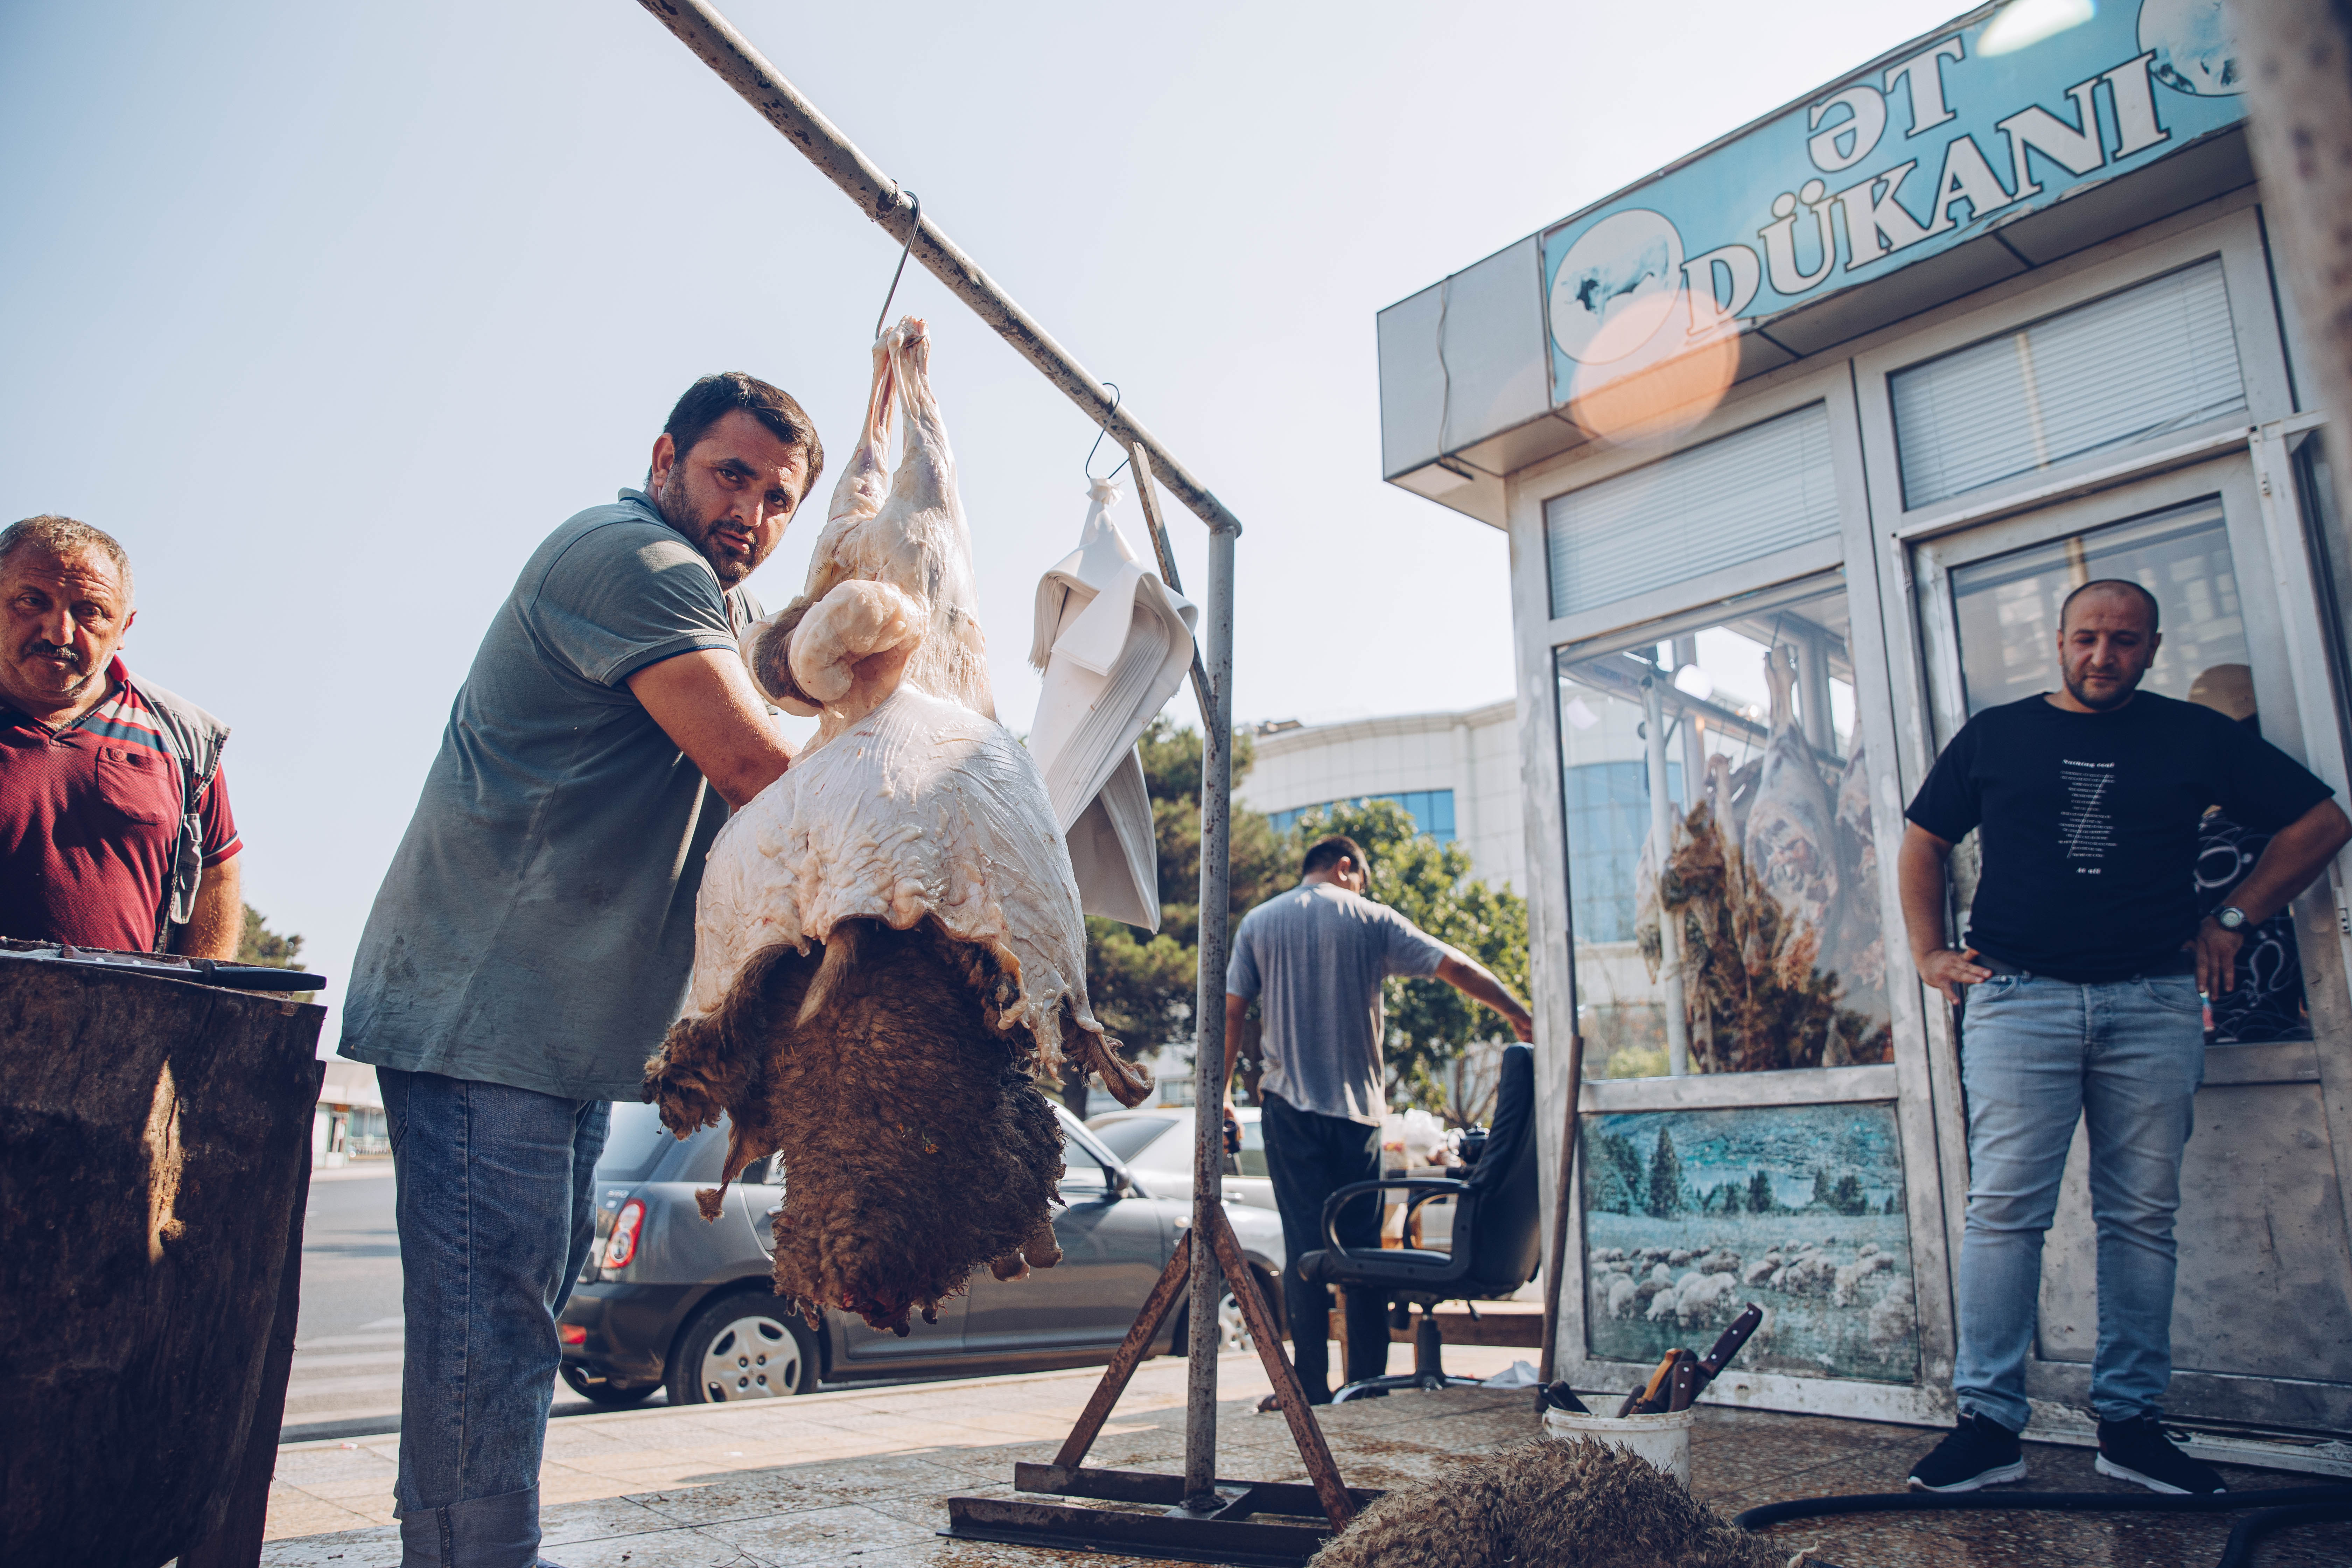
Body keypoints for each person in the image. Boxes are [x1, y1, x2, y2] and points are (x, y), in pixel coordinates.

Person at [339, 373, 821, 1568]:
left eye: (778, 497)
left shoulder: (709, 605)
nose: (752, 512)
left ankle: (478, 1549)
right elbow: (763, 774)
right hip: (483, 1014)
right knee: (487, 1328)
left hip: (543, 1035)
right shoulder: (633, 560)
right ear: (665, 457)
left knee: (509, 1320)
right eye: (731, 475)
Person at [1899, 579, 2350, 1496]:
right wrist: (1928, 952)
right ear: (2060, 644)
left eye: (2124, 641)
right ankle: (1988, 1424)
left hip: (2153, 999)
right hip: (2018, 998)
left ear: (2152, 651)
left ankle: (2131, 1425)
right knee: (2004, 1215)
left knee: (2141, 1219)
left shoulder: (2194, 738)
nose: (2103, 656)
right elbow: (1923, 840)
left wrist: (2232, 917)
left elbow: (2323, 823)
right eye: (2088, 639)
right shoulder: (1997, 735)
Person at [1222, 832, 1534, 1404]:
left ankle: (1309, 1387)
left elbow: (1233, 1012)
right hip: (1359, 1115)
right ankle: (1364, 1382)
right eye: (1361, 877)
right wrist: (1517, 1013)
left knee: (1305, 1248)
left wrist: (1220, 1094)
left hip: (1289, 1109)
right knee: (1358, 1248)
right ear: (1347, 868)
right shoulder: (1371, 918)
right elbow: (1454, 967)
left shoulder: (1258, 924)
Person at [0, 515, 242, 956]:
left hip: (126, 1019)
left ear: (125, 628)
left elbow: (216, 875)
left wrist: (195, 1009)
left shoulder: (185, 738)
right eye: (32, 602)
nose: (60, 633)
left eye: (88, 611)